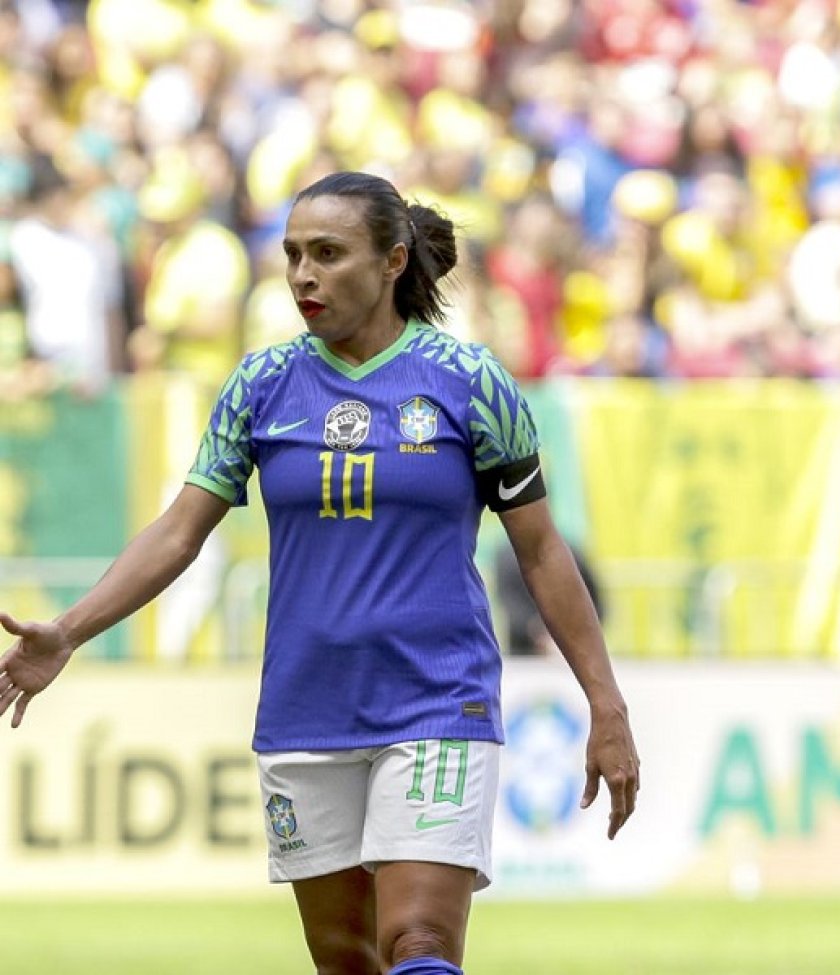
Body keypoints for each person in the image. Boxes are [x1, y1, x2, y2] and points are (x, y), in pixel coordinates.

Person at [0, 171, 640, 975]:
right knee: (346, 959)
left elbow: (541, 550)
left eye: (328, 254)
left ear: (393, 261)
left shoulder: (470, 382)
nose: (304, 274)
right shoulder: (261, 385)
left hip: (438, 698)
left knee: (418, 940)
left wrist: (606, 700)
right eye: (294, 254)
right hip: (306, 709)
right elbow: (178, 531)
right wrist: (67, 631)